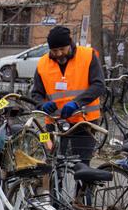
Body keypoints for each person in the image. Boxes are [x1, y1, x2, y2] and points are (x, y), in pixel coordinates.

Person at [31, 25, 106, 165]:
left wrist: (76, 103)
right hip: (54, 124)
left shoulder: (88, 56)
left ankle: (84, 187)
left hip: (84, 122)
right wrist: (42, 104)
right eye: (54, 51)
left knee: (82, 164)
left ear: (70, 44)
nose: (59, 54)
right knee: (52, 163)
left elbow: (99, 85)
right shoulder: (42, 63)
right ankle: (53, 186)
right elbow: (36, 93)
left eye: (62, 49)